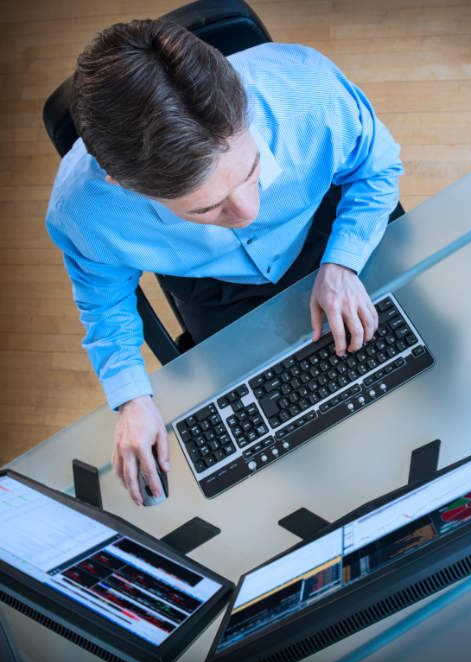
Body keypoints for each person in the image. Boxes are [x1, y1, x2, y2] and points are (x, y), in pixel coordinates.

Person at [46, 19, 404, 505]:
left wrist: (341, 263)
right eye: (207, 208)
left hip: (328, 228)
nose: (248, 212)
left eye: (252, 173)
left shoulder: (309, 89)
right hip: (215, 286)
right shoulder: (84, 211)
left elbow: (377, 167)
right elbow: (104, 300)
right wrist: (133, 398)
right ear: (124, 185)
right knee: (290, 463)